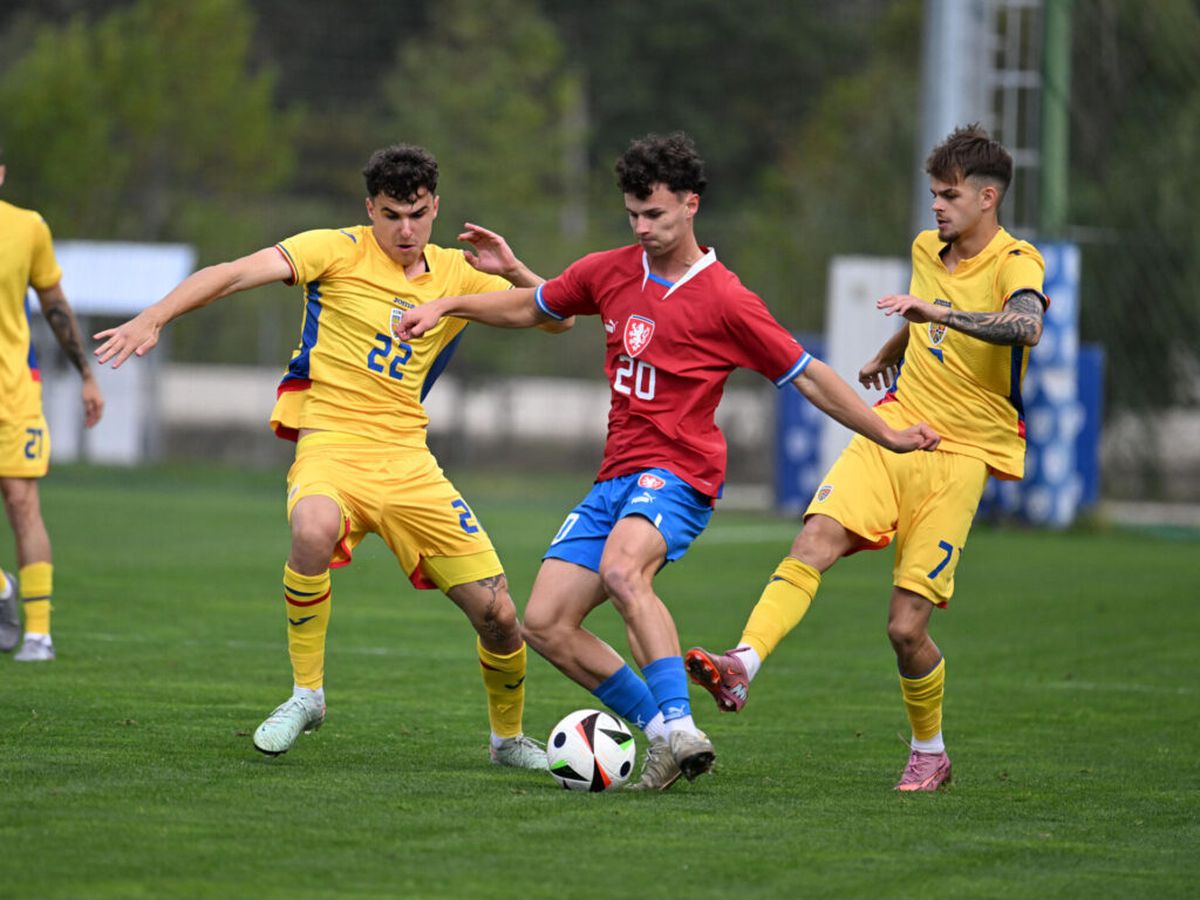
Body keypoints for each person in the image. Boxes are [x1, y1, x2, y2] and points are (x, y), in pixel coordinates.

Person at [396, 131, 939, 791]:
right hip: (614, 476)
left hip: (679, 474)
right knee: (542, 622)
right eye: (633, 215)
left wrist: (888, 433)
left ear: (691, 205)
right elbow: (533, 306)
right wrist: (450, 303)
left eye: (655, 214)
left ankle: (682, 725)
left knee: (625, 571)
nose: (643, 228)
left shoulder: (728, 300)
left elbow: (809, 375)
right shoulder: (609, 270)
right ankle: (661, 736)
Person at [94, 144, 566, 767]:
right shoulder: (334, 249)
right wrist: (155, 315)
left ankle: (507, 741)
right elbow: (234, 272)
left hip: (408, 461)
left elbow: (556, 319)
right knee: (312, 527)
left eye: (418, 214)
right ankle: (307, 694)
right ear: (369, 208)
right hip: (331, 445)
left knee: (500, 614)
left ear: (436, 209)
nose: (405, 229)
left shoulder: (457, 272)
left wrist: (513, 268)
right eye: (392, 214)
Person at [686, 124, 1047, 792]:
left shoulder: (1017, 260)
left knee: (906, 630)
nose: (936, 207)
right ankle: (742, 664)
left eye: (949, 195)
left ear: (988, 197)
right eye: (933, 194)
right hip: (896, 428)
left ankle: (930, 750)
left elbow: (1024, 325)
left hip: (965, 455)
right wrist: (897, 345)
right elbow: (929, 322)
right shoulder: (925, 249)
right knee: (813, 538)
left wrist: (932, 311)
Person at [0, 147, 105, 662]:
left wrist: (87, 375)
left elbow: (55, 306)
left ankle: (38, 633)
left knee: (21, 502)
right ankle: (1, 588)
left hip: (12, 392)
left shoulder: (26, 228)